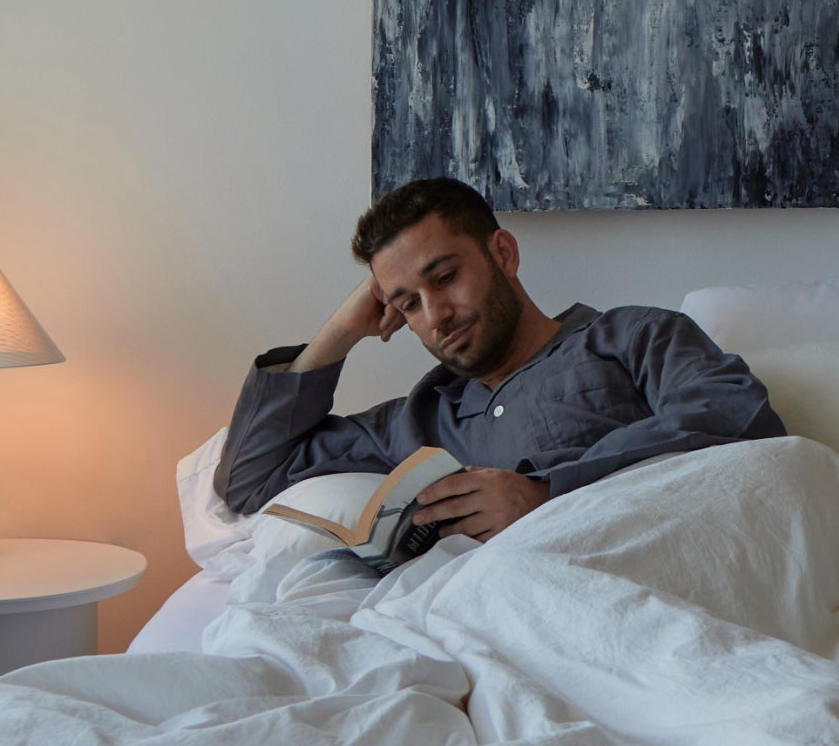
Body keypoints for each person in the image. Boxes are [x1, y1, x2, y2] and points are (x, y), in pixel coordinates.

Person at [213, 177, 785, 544]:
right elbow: (249, 479)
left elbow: (737, 417)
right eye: (408, 303)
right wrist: (338, 333)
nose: (435, 315)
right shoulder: (417, 420)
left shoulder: (631, 336)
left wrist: (544, 493)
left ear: (503, 253)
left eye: (445, 278)